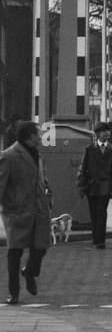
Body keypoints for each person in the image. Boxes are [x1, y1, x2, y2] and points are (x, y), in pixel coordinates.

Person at [0, 121, 53, 305]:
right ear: (30, 137)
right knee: (14, 253)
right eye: (38, 134)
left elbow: (42, 178)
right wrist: (9, 208)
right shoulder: (9, 156)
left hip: (39, 210)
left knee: (41, 247)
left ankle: (30, 272)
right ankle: (14, 292)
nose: (40, 137)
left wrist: (48, 191)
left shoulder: (37, 154)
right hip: (17, 213)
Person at [77, 123, 112, 249]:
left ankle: (101, 240)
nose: (107, 133)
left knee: (102, 212)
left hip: (105, 186)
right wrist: (82, 185)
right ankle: (95, 237)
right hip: (91, 186)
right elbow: (83, 167)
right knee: (94, 213)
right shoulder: (90, 149)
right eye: (103, 131)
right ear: (97, 134)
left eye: (108, 131)